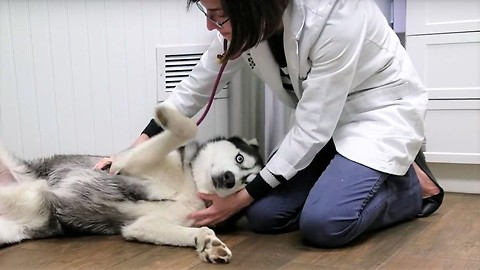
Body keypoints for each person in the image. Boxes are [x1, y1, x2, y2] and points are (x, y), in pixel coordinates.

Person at [94, 0, 444, 248]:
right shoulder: (251, 24)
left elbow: (311, 130)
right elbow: (194, 88)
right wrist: (131, 152)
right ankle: (347, 177)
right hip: (324, 127)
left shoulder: (337, 14)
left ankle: (410, 186)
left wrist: (239, 199)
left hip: (377, 115)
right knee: (264, 217)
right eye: (208, 12)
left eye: (217, 14)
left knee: (324, 225)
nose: (210, 26)